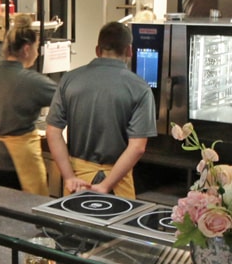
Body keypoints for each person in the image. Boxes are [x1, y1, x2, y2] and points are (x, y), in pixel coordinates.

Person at [45, 22, 156, 198]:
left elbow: (53, 133)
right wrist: (106, 185)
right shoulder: (140, 88)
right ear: (129, 51)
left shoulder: (69, 79)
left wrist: (69, 177)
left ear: (97, 50)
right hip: (118, 183)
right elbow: (137, 147)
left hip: (78, 182)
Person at [0, 18, 57, 195]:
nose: (37, 53)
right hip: (14, 163)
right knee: (23, 209)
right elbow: (67, 99)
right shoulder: (33, 82)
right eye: (36, 47)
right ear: (26, 49)